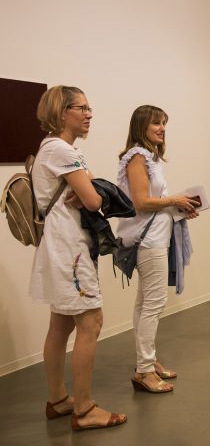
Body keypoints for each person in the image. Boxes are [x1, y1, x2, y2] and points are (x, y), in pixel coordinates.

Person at [29, 85, 127, 430]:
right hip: (70, 250)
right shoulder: (61, 150)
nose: (89, 114)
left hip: (62, 247)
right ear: (61, 111)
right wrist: (92, 189)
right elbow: (93, 201)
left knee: (61, 324)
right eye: (81, 108)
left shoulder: (55, 149)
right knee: (91, 322)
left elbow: (87, 192)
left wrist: (89, 187)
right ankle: (84, 410)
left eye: (89, 108)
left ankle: (57, 399)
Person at [116, 105, 199, 393]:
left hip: (154, 238)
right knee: (153, 305)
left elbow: (155, 201)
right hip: (148, 242)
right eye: (156, 123)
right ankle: (145, 370)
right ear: (142, 126)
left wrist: (179, 205)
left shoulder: (150, 156)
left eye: (164, 123)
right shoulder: (137, 157)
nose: (162, 128)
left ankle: (148, 361)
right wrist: (174, 199)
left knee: (144, 304)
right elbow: (141, 202)